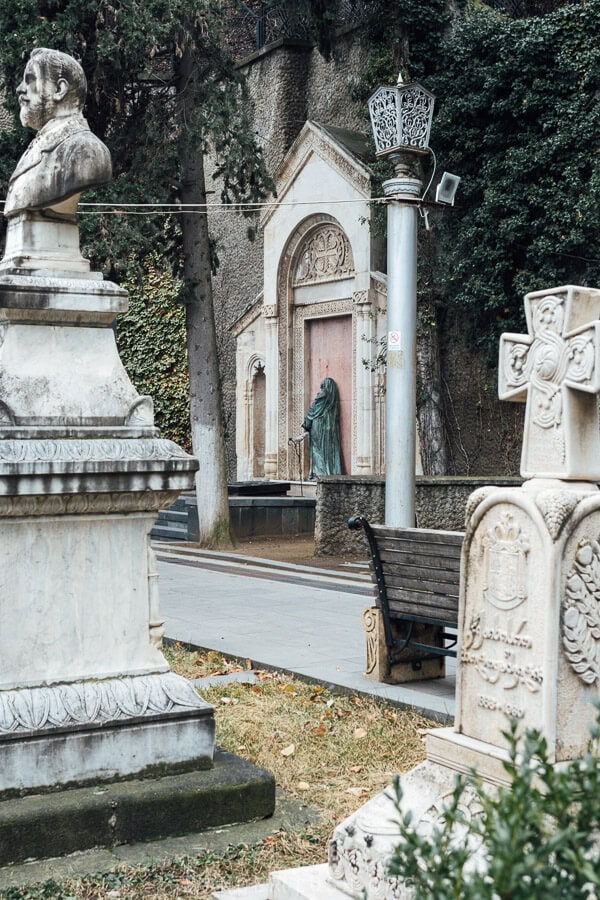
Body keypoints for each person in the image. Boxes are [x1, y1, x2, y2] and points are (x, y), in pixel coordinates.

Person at [4, 48, 111, 218]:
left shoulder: (87, 150)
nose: (19, 89)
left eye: (30, 80)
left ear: (59, 89)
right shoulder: (34, 149)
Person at [302, 377, 343, 479]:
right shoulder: (333, 398)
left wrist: (306, 423)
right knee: (327, 450)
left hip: (318, 425)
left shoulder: (322, 394)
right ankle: (328, 471)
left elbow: (313, 409)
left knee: (317, 450)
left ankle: (319, 473)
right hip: (329, 426)